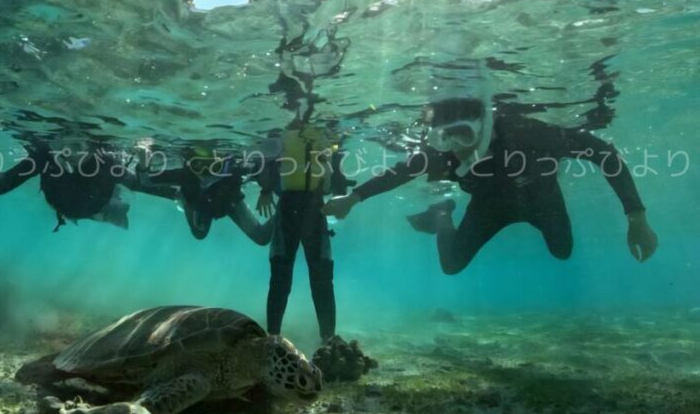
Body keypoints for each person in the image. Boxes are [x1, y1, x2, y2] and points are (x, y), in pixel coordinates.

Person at [323, 96, 658, 273]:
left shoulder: (527, 133)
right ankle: (442, 215)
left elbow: (604, 153)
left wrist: (637, 217)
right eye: (444, 137)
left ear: (484, 126)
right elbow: (400, 172)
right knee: (451, 265)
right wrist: (352, 199)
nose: (456, 146)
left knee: (562, 252)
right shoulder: (443, 154)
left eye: (464, 134)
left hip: (542, 199)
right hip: (489, 206)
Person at [258, 121, 350, 343]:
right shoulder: (321, 132)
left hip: (302, 208)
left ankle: (320, 338)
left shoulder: (291, 133)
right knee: (301, 278)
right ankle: (276, 338)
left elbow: (339, 183)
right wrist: (266, 189)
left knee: (310, 277)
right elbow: (268, 159)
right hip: (307, 208)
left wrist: (266, 189)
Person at [0, 137, 177, 230]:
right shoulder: (44, 157)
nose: (66, 152)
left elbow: (140, 184)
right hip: (63, 207)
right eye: (59, 144)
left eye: (76, 146)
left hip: (96, 206)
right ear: (51, 143)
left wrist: (144, 166)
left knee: (112, 209)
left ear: (90, 147)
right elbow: (1, 187)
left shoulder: (106, 163)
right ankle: (103, 215)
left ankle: (106, 213)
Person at [140, 146, 273, 245]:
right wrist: (143, 163)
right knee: (199, 233)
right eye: (197, 166)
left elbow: (264, 169)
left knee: (261, 238)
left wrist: (266, 190)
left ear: (222, 164)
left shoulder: (233, 170)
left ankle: (288, 208)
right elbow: (146, 180)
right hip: (205, 204)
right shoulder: (185, 176)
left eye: (213, 167)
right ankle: (182, 199)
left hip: (230, 202)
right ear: (189, 164)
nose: (205, 174)